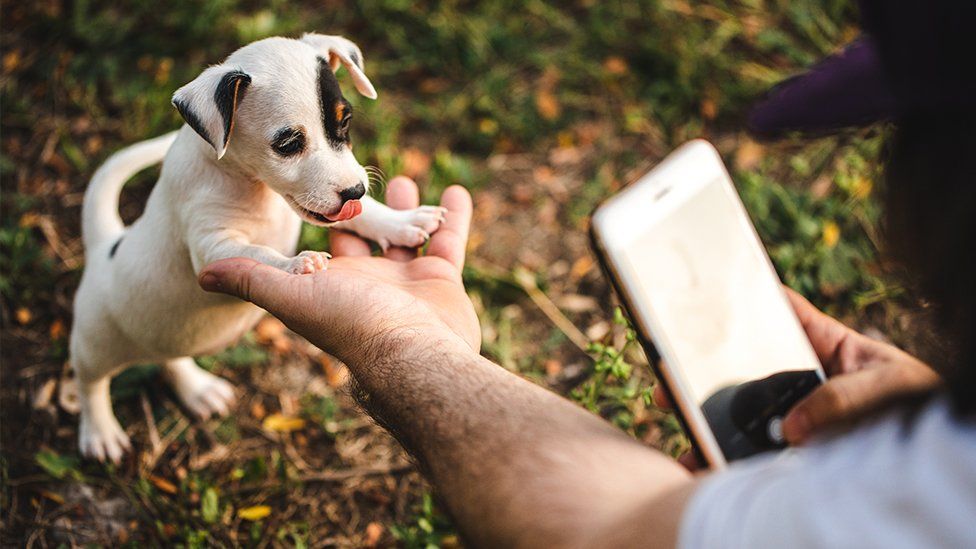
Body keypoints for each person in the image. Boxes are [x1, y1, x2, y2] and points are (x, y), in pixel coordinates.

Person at [197, 0, 975, 546]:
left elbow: (595, 532)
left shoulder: (929, 493)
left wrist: (403, 343)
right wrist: (926, 417)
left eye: (894, 140)